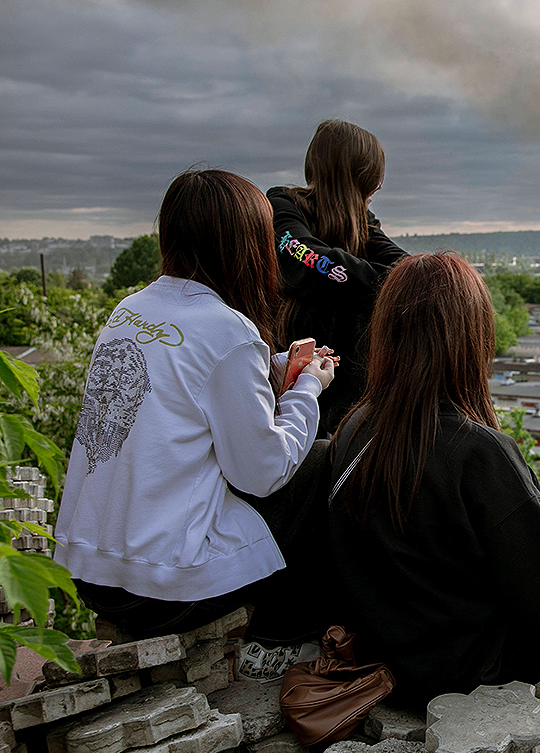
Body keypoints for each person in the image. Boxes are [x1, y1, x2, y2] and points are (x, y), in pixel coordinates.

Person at [327, 253, 540, 753]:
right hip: (469, 665)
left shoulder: (354, 429)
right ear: (470, 340)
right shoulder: (475, 448)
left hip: (387, 652)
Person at [54, 169, 337, 679]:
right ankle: (282, 639)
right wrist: (308, 388)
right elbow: (262, 472)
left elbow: (187, 381)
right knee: (320, 462)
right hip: (161, 590)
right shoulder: (227, 330)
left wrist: (273, 368)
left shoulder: (130, 310)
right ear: (244, 245)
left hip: (94, 574)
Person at [268, 119, 408, 436]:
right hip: (294, 380)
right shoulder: (283, 206)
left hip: (354, 390)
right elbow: (312, 261)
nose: (380, 186)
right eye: (375, 174)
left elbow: (403, 266)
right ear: (356, 174)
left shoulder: (364, 222)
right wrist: (395, 285)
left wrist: (414, 278)